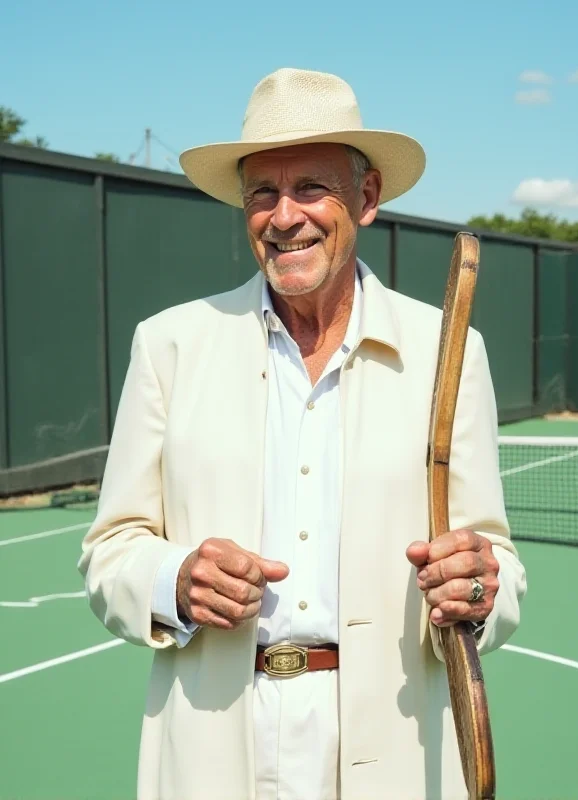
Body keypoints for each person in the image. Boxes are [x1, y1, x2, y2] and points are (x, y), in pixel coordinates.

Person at [79, 67, 527, 800]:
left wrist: (479, 586)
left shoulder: (448, 347)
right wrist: (175, 580)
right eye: (263, 193)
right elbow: (109, 553)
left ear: (368, 198)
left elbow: (495, 567)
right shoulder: (168, 346)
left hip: (395, 743)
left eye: (311, 188)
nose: (284, 217)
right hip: (213, 746)